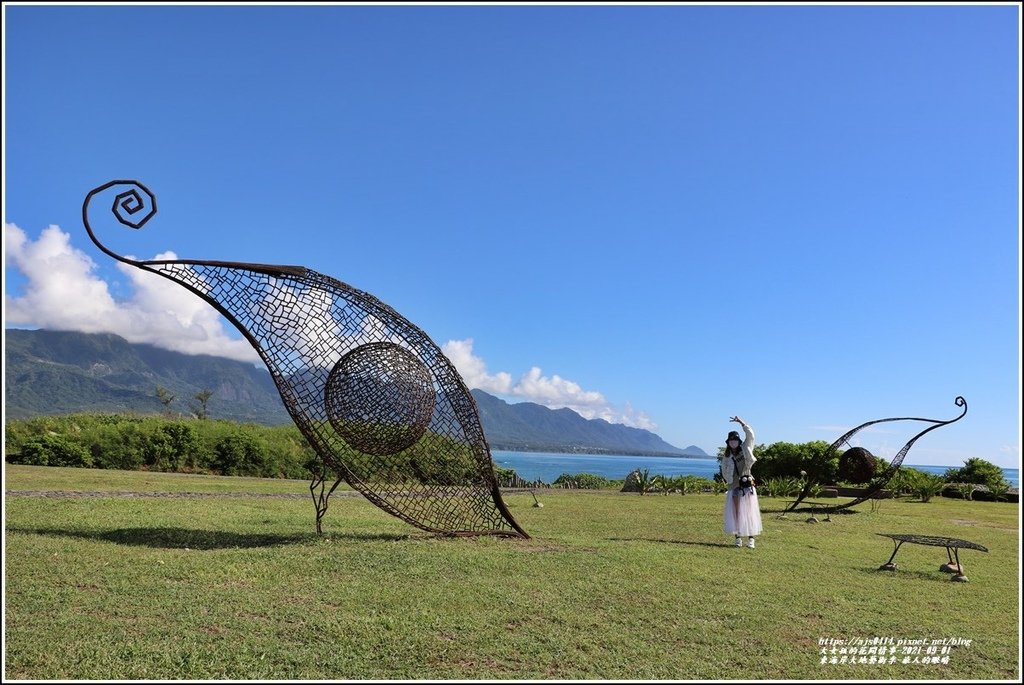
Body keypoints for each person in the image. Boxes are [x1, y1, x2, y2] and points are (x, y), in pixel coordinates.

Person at [721, 415, 763, 548]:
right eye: (731, 440)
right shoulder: (727, 456)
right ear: (728, 442)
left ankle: (751, 539)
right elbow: (724, 470)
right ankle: (738, 537)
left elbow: (750, 435)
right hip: (734, 486)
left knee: (749, 512)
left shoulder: (746, 448)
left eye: (735, 439)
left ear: (739, 440)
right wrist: (729, 481)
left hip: (747, 484)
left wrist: (742, 422)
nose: (733, 442)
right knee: (737, 512)